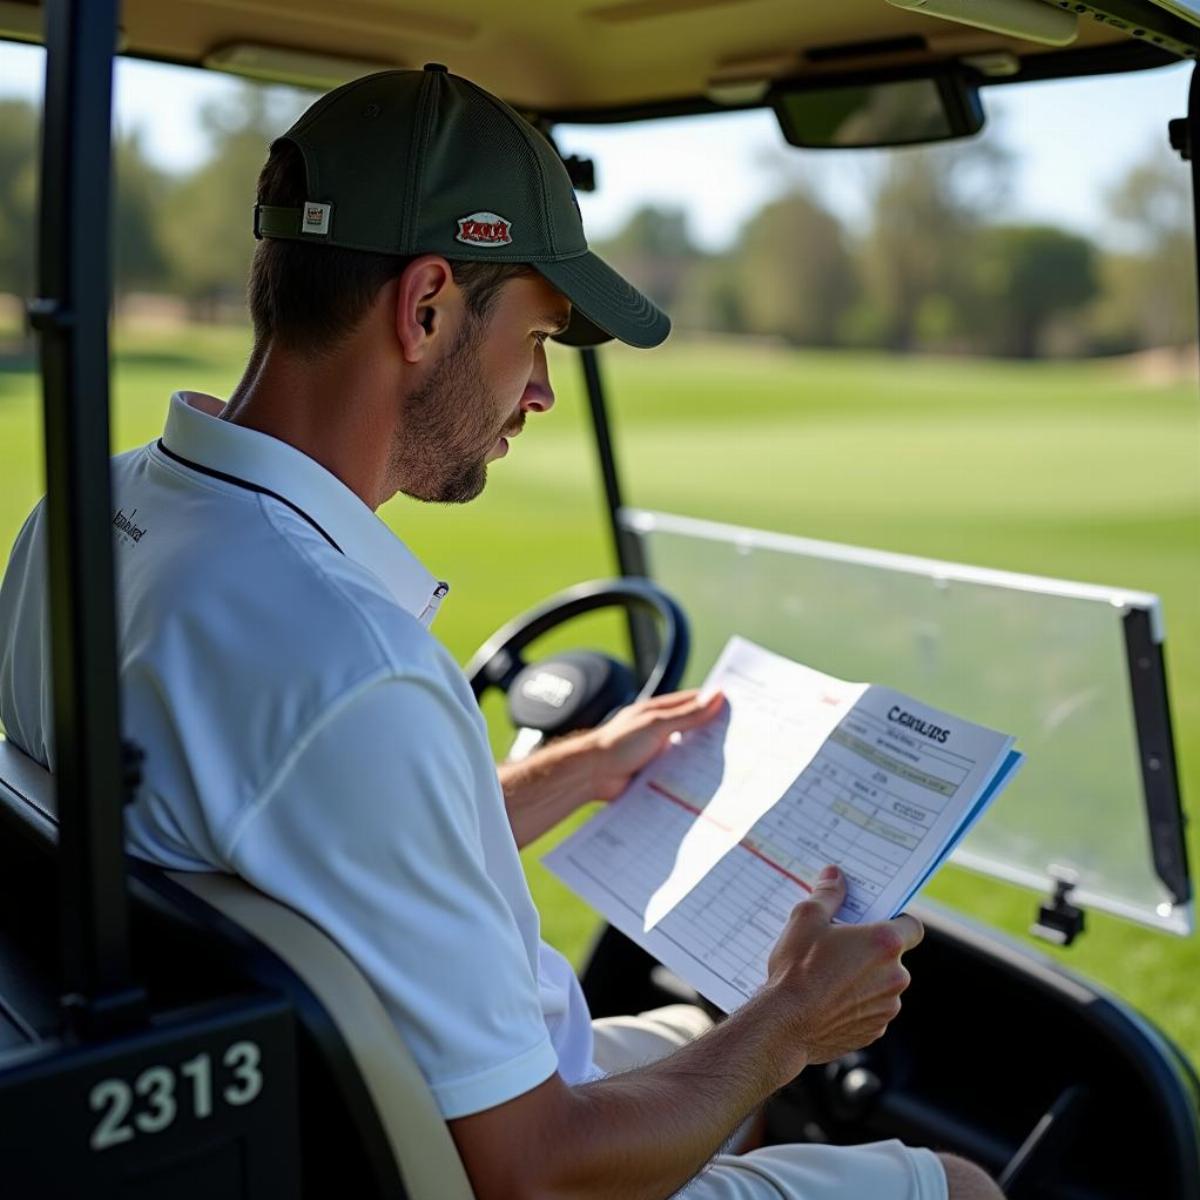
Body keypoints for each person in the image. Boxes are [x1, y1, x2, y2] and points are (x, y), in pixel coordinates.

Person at [0, 65, 1001, 1200]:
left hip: (324, 1119)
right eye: (537, 336)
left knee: (702, 1053)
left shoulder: (86, 519)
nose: (541, 392)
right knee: (960, 1183)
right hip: (468, 1156)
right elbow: (536, 1171)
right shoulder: (356, 670)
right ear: (425, 308)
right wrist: (789, 1019)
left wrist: (569, 772)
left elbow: (300, 845)